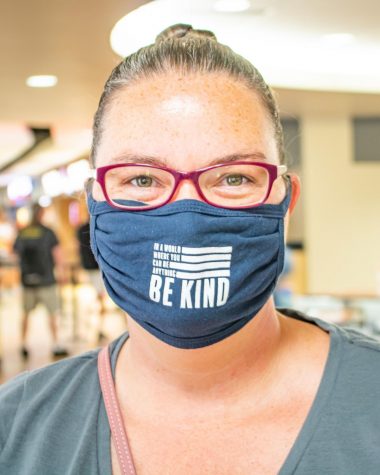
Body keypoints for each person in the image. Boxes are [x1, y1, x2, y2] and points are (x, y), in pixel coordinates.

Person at [1, 23, 380, 474]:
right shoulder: (17, 428)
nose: (188, 216)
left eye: (233, 178)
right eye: (142, 180)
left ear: (286, 202)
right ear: (95, 203)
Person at [12, 204, 68, 359]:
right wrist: (62, 273)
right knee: (52, 313)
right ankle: (56, 344)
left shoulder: (22, 233)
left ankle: (23, 344)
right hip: (46, 279)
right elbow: (57, 254)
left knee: (25, 314)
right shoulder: (48, 232)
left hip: (27, 280)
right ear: (42, 214)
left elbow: (15, 256)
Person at [77, 219, 107, 342]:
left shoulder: (81, 229)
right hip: (96, 267)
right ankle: (93, 326)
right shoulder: (100, 226)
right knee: (100, 300)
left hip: (89, 267)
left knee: (99, 299)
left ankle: (95, 327)